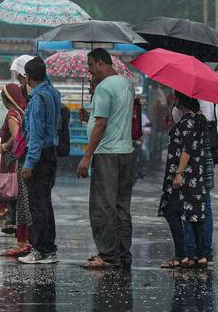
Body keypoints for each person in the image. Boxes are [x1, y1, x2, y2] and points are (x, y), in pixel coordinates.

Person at [77, 48, 135, 269]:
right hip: (126, 152)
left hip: (107, 154)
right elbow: (112, 118)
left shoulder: (103, 87)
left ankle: (108, 255)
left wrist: (86, 156)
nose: (90, 71)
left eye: (91, 65)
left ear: (101, 63)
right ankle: (122, 253)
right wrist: (89, 117)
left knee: (103, 206)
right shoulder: (126, 84)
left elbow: (101, 124)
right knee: (121, 207)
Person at [159, 91, 213, 269]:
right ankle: (199, 255)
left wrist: (179, 173)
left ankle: (185, 254)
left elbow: (187, 149)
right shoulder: (192, 119)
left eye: (175, 97)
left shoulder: (189, 121)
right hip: (190, 175)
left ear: (180, 100)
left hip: (185, 175)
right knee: (194, 214)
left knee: (176, 212)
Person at [18, 57, 61, 264]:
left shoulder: (37, 99)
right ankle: (49, 248)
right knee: (46, 203)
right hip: (51, 153)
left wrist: (29, 163)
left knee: (37, 205)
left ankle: (39, 249)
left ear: (28, 77)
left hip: (40, 156)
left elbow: (35, 134)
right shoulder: (53, 93)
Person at [0, 83, 33, 257]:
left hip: (14, 163)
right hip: (20, 160)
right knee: (22, 202)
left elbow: (17, 135)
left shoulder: (12, 115)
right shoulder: (22, 112)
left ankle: (21, 243)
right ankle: (24, 241)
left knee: (18, 203)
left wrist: (4, 146)